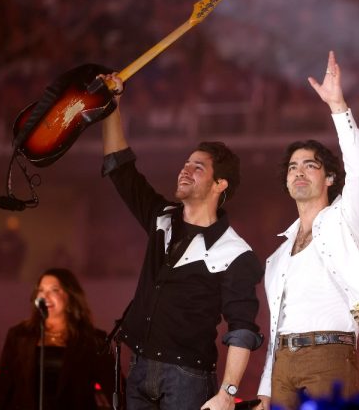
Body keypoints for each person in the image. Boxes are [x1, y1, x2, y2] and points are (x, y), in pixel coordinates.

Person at [99, 73, 264, 410]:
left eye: (198, 167)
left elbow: (243, 329)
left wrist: (228, 393)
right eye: (186, 163)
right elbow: (121, 171)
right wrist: (112, 107)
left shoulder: (235, 252)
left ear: (220, 184)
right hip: (140, 365)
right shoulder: (162, 217)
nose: (185, 170)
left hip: (188, 377)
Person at [257, 51, 359, 410]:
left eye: (310, 165)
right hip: (282, 364)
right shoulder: (277, 256)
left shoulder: (346, 219)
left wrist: (338, 107)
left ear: (328, 177)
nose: (299, 172)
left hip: (330, 355)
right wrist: (265, 387)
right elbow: (276, 324)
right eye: (293, 167)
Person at [0, 268, 114, 410]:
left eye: (54, 290)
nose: (45, 296)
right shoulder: (19, 336)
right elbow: (3, 391)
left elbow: (115, 388)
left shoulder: (93, 340)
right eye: (41, 290)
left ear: (70, 296)